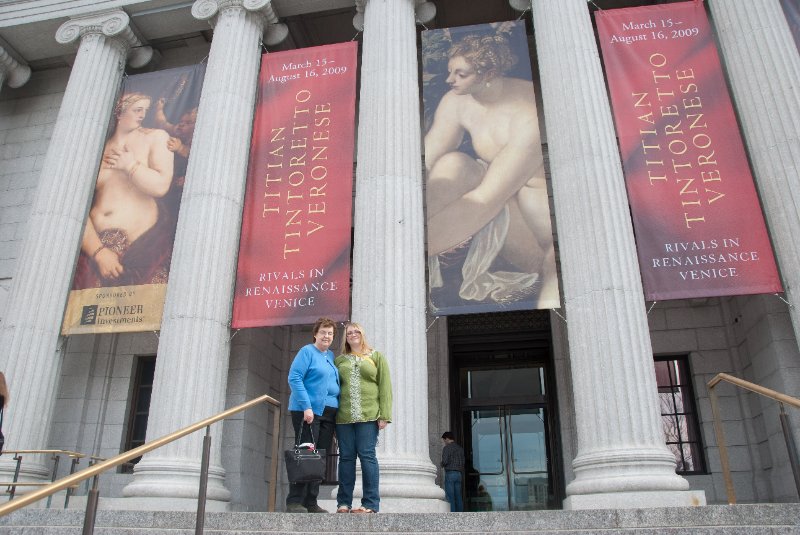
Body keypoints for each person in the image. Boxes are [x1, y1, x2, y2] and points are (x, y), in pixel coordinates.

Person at [424, 29, 558, 309]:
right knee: (453, 164)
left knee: (555, 270)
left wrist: (405, 252)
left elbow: (486, 200)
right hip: (497, 204)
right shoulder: (458, 100)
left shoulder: (529, 112)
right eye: (450, 72)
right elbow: (425, 164)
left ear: (489, 73)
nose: (450, 80)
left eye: (461, 74)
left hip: (539, 238)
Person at [73, 92, 175, 288]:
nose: (142, 115)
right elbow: (76, 206)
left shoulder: (155, 137)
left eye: (145, 110)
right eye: (137, 110)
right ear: (119, 112)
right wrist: (99, 252)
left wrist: (131, 166)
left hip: (141, 247)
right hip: (94, 248)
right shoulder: (97, 149)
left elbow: (161, 186)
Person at [334, 322, 392, 514]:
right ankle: (343, 503)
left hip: (369, 415)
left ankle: (370, 503)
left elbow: (385, 387)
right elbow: (333, 387)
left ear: (362, 334)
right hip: (343, 417)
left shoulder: (376, 356)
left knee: (367, 456)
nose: (353, 334)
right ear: (345, 337)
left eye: (356, 331)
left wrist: (384, 415)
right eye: (349, 332)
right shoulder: (339, 361)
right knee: (346, 458)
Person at [286, 317, 340, 513]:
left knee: (320, 458)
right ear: (315, 334)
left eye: (330, 333)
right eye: (323, 332)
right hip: (308, 411)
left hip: (328, 414)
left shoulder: (330, 356)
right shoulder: (307, 351)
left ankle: (311, 501)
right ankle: (294, 501)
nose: (326, 336)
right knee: (306, 454)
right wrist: (307, 406)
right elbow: (294, 378)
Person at [441, 431, 465, 512]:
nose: (444, 442)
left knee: (450, 497)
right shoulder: (460, 449)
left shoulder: (447, 448)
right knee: (458, 496)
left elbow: (445, 461)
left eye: (444, 440)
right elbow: (463, 462)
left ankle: (452, 515)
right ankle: (460, 514)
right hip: (459, 474)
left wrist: (441, 464)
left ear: (447, 439)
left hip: (450, 474)